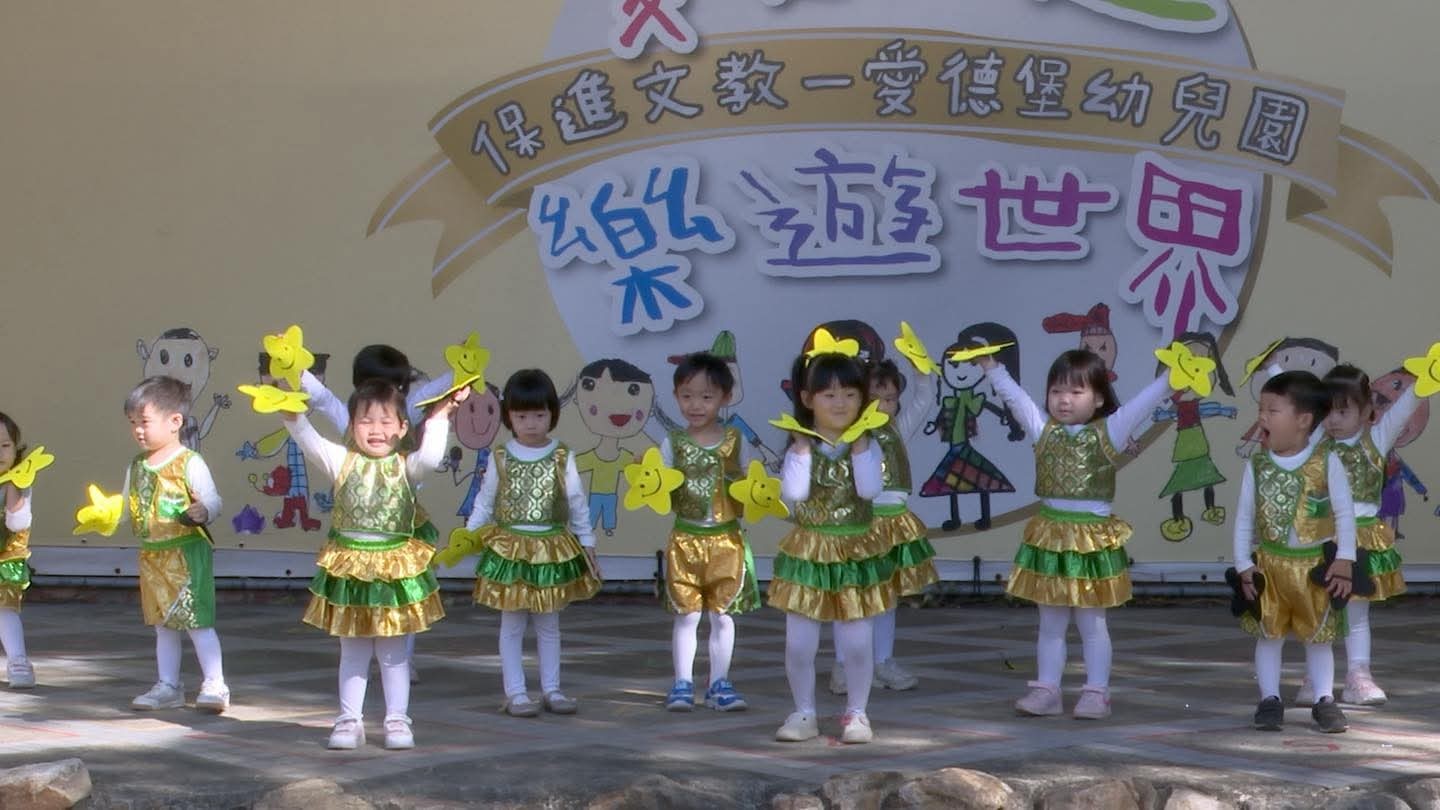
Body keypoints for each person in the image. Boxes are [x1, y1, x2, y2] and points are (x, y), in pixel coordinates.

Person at [979, 347, 1174, 719]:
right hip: (1050, 538)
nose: (1064, 399)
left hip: (1091, 541)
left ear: (1098, 398)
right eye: (1056, 391)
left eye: (1075, 391)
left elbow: (1142, 404)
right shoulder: (1043, 429)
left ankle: (1097, 693)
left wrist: (1171, 379)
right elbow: (1016, 399)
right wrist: (992, 368)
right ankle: (1047, 690)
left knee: (1092, 623)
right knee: (1050, 623)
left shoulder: (1110, 431)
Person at [282, 379, 462, 749]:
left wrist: (441, 416)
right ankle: (349, 721)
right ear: (352, 426)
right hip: (350, 570)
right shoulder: (341, 461)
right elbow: (310, 442)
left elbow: (430, 458)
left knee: (393, 654)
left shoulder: (407, 467)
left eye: (385, 421)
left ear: (402, 427)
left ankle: (397, 721)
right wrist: (292, 416)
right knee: (353, 651)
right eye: (366, 421)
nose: (376, 430)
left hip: (393, 571)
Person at [769, 349, 893, 745]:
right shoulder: (800, 444)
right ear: (808, 399)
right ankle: (803, 711)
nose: (840, 404)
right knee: (799, 643)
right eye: (829, 395)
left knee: (856, 642)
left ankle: (857, 712)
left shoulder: (869, 443)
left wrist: (859, 450)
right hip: (809, 550)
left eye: (850, 395)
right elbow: (793, 494)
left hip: (854, 549)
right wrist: (801, 451)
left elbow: (870, 490)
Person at [465, 369, 602, 717]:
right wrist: (467, 537)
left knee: (548, 624)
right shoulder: (500, 455)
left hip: (551, 549)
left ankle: (552, 690)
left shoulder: (562, 455)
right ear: (509, 416)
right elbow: (485, 501)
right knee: (512, 624)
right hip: (510, 551)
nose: (530, 423)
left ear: (552, 414)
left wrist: (587, 541)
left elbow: (576, 501)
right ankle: (516, 693)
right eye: (522, 416)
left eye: (539, 415)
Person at [1233, 371, 1356, 734]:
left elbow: (1344, 512)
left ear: (1303, 421)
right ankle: (1270, 699)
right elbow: (1244, 517)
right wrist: (1243, 564)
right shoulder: (1257, 465)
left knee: (1319, 638)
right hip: (1269, 567)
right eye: (1261, 409)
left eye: (1272, 411)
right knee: (1269, 635)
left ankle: (1324, 699)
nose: (1262, 417)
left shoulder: (1326, 461)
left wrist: (1345, 558)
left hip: (1315, 568)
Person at [1300, 363, 1428, 706]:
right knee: (1319, 610)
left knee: (1356, 612)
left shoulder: (1378, 439)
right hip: (1321, 538)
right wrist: (1271, 370)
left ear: (1367, 410)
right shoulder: (1316, 443)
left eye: (1343, 411)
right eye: (1327, 411)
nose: (1333, 420)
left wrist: (1426, 380)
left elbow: (1404, 407)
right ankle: (1315, 676)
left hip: (1361, 539)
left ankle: (1358, 675)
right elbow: (1295, 404)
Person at [111, 377, 229, 714]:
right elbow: (124, 507)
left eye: (144, 421)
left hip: (186, 553)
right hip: (152, 555)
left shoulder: (189, 461)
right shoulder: (136, 466)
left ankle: (215, 684)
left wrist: (204, 510)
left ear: (175, 421)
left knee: (197, 621)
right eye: (133, 422)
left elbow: (213, 500)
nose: (138, 430)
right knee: (163, 624)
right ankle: (168, 685)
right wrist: (104, 515)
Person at [661, 353, 761, 713]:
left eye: (706, 397)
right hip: (685, 540)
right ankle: (682, 683)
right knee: (686, 616)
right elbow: (659, 485)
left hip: (726, 540)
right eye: (687, 396)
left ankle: (720, 683)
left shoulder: (736, 440)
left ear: (725, 397)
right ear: (676, 396)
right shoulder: (672, 442)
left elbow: (753, 479)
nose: (696, 405)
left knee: (723, 616)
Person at [0, 413, 35, 688]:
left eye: (5, 445)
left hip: (5, 558)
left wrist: (14, 486)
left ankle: (18, 660)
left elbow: (18, 522)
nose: (0, 453)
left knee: (5, 609)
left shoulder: (20, 481)